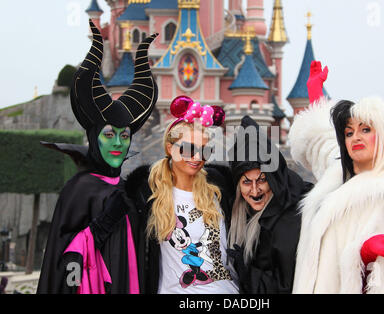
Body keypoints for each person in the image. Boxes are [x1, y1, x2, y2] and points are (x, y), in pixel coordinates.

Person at [37, 20, 158, 294]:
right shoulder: (79, 190)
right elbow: (66, 260)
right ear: (93, 138)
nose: (117, 143)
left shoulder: (130, 189)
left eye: (124, 136)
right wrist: (100, 226)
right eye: (108, 135)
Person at [289, 61, 384, 294]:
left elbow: (383, 280)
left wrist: (367, 252)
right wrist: (315, 97)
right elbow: (324, 145)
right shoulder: (340, 175)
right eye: (349, 132)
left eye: (365, 129)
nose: (355, 138)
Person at [124, 95, 239, 294]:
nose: (197, 157)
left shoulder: (221, 188)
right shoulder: (147, 193)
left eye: (205, 150)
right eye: (188, 149)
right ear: (170, 148)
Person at [226, 116, 313, 294]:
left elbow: (286, 285)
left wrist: (247, 275)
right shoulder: (241, 212)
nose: (255, 190)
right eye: (246, 182)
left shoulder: (289, 220)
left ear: (275, 180)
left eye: (262, 180)